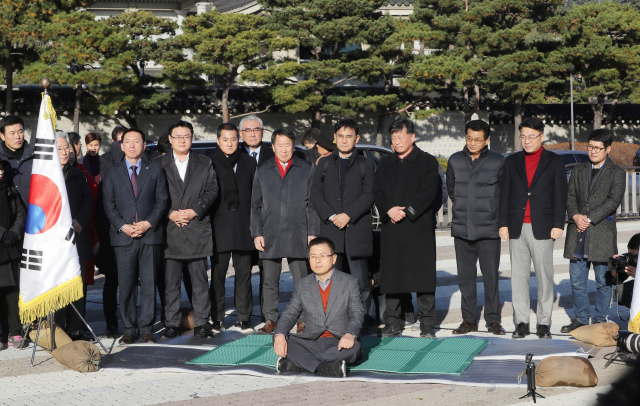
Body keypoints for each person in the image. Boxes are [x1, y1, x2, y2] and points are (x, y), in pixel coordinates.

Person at [499, 117, 567, 339]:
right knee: (518, 277)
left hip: (543, 227)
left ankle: (544, 323)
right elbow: (504, 195)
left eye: (531, 136)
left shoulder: (554, 161)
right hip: (517, 226)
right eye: (523, 137)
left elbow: (560, 195)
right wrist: (503, 223)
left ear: (541, 136)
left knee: (544, 276)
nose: (526, 141)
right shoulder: (511, 161)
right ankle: (521, 322)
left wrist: (558, 224)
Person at [373, 118, 441, 338]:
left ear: (412, 137)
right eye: (393, 138)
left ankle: (427, 322)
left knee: (423, 276)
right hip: (392, 227)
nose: (397, 141)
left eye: (401, 137)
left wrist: (408, 211)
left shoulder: (427, 162)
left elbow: (429, 192)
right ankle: (392, 321)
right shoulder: (385, 163)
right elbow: (377, 191)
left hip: (418, 226)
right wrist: (388, 210)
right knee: (392, 276)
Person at [102, 128, 168, 344]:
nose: (132, 145)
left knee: (149, 284)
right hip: (124, 238)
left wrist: (148, 223)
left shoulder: (155, 169)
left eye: (136, 141)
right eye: (127, 142)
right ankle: (129, 328)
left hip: (150, 235)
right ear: (121, 146)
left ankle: (147, 327)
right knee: (126, 284)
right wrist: (122, 226)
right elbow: (108, 204)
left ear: (144, 145)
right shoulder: (112, 171)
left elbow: (162, 201)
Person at [251, 128, 319, 334]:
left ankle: (303, 319)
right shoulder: (262, 169)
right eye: (279, 145)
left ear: (293, 146)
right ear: (272, 147)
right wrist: (256, 232)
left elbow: (312, 204)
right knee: (269, 280)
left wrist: (312, 232)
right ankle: (270, 319)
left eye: (287, 145)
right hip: (269, 231)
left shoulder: (306, 168)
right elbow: (255, 204)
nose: (283, 149)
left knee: (302, 280)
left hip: (299, 231)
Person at [154, 120, 218, 339]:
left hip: (196, 227)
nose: (182, 140)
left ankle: (202, 322)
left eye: (186, 136)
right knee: (170, 282)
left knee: (199, 281)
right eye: (177, 136)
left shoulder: (204, 162)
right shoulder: (157, 164)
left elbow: (211, 190)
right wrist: (169, 213)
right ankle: (171, 322)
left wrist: (194, 211)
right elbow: (152, 195)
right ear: (170, 139)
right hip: (169, 229)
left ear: (192, 138)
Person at [310, 118, 376, 325]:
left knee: (361, 282)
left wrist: (348, 215)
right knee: (334, 281)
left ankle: (364, 321)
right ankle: (336, 321)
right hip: (332, 231)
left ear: (357, 138)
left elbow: (369, 194)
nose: (344, 140)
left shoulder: (367, 164)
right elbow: (315, 195)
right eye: (340, 136)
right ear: (334, 138)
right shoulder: (325, 163)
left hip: (357, 229)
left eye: (349, 136)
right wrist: (332, 216)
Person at [561, 129, 626, 332]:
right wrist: (575, 216)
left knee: (603, 281)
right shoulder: (578, 170)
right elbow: (570, 196)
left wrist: (588, 218)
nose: (593, 151)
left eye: (597, 148)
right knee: (577, 280)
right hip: (577, 230)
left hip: (601, 231)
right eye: (590, 146)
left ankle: (599, 318)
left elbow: (613, 201)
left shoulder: (617, 173)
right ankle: (581, 318)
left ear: (608, 149)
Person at [273, 237, 365, 378]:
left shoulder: (349, 282)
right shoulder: (302, 285)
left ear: (333, 259)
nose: (317, 260)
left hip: (339, 340)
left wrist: (350, 334)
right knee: (285, 341)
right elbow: (290, 313)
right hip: (312, 340)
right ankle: (325, 367)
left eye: (322, 256)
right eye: (313, 257)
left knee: (354, 348)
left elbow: (357, 313)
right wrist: (279, 335)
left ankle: (299, 363)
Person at [446, 120, 506, 335]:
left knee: (490, 276)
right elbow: (452, 190)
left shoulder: (498, 162)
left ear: (486, 140)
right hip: (462, 228)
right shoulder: (454, 160)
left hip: (489, 228)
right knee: (465, 278)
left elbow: (504, 194)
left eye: (477, 139)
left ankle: (493, 320)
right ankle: (468, 320)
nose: (472, 142)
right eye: (469, 138)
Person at [210, 123, 257, 334]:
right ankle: (217, 318)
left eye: (233, 139)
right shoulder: (209, 162)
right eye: (225, 139)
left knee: (244, 275)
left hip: (243, 225)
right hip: (217, 225)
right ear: (218, 140)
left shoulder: (249, 162)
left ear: (239, 140)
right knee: (218, 276)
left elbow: (256, 195)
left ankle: (244, 317)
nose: (230, 144)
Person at [53, 134, 94, 340]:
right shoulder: (45, 176)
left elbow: (89, 201)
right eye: (59, 148)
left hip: (77, 237)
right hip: (54, 243)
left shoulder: (78, 174)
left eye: (66, 147)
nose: (65, 151)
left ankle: (77, 329)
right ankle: (58, 332)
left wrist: (80, 220)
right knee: (59, 287)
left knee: (78, 287)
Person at [95, 126, 127, 338]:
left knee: (116, 282)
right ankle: (116, 324)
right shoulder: (109, 162)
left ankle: (119, 325)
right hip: (113, 234)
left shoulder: (143, 163)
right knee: (117, 282)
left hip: (116, 233)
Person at [0, 159, 26, 348]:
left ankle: (15, 331)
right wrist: (2, 234)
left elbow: (21, 213)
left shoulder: (10, 189)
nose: (0, 172)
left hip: (11, 248)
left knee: (12, 291)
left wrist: (14, 233)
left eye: (1, 168)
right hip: (2, 243)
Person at [0, 116, 34, 205]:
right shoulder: (1, 160)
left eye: (20, 132)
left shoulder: (35, 157)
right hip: (6, 216)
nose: (17, 137)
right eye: (12, 133)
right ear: (2, 136)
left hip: (31, 215)